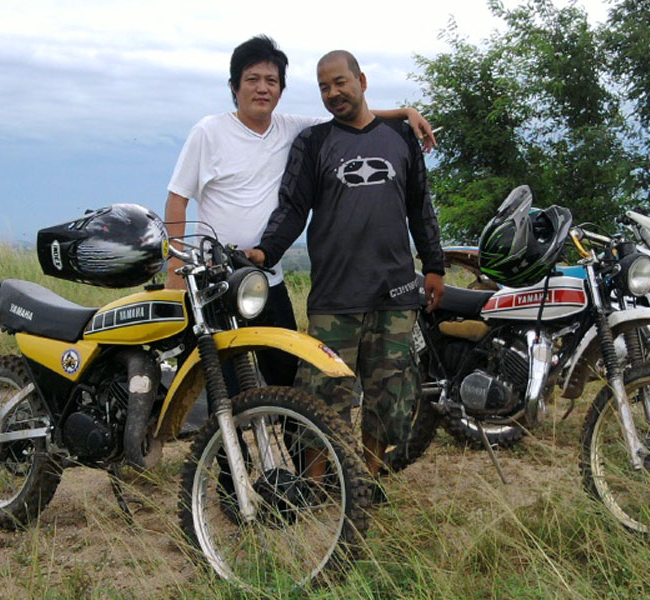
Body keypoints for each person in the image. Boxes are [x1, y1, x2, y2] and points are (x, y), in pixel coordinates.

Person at [165, 35, 436, 390]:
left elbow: (352, 115)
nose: (262, 88)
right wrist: (174, 267)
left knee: (287, 379)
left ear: (281, 89)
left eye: (271, 80)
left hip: (267, 278)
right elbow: (177, 198)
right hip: (216, 283)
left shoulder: (293, 128)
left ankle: (286, 430)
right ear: (234, 86)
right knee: (224, 382)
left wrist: (405, 113)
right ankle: (225, 430)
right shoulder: (208, 132)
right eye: (252, 79)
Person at [248, 49, 445, 486]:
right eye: (324, 87)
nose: (333, 92)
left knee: (388, 396)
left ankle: (366, 481)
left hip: (395, 294)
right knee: (322, 396)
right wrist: (265, 251)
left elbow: (420, 207)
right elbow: (293, 208)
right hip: (334, 298)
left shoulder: (400, 137)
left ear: (362, 81)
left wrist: (434, 266)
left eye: (340, 82)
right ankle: (317, 486)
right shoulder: (313, 143)